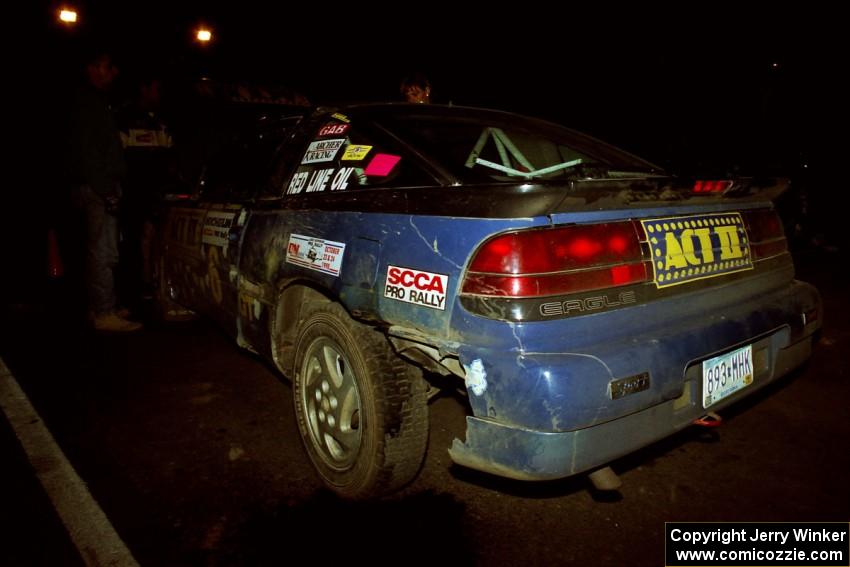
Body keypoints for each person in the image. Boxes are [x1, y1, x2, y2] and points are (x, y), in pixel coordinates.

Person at [67, 49, 142, 332]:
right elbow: (89, 153)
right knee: (103, 250)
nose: (114, 73)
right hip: (97, 187)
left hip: (96, 185)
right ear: (93, 68)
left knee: (103, 248)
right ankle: (103, 311)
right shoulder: (87, 103)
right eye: (108, 67)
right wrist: (106, 188)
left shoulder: (95, 101)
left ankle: (101, 305)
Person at [117, 74, 175, 304]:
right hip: (132, 194)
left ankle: (152, 284)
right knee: (132, 242)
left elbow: (170, 159)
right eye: (155, 88)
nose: (158, 94)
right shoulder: (125, 118)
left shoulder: (162, 121)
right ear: (144, 89)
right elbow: (118, 159)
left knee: (155, 241)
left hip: (157, 195)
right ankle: (131, 293)